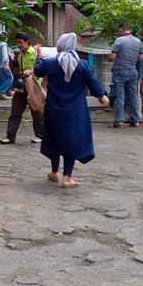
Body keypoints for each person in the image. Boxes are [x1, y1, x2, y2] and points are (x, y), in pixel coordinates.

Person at [33, 33, 109, 188]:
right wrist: (102, 96)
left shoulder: (51, 63)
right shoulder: (82, 65)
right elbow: (92, 82)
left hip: (54, 109)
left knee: (54, 139)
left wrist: (39, 56)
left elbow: (38, 70)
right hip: (75, 111)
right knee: (71, 142)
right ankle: (67, 178)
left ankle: (54, 172)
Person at [0, 32, 44, 144]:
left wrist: (31, 73)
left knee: (36, 112)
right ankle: (10, 136)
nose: (19, 45)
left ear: (27, 42)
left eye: (21, 42)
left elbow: (41, 68)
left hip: (33, 87)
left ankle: (40, 135)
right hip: (21, 87)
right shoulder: (20, 56)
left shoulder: (34, 53)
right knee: (15, 111)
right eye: (17, 42)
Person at [108, 22, 143, 128]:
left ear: (121, 30)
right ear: (130, 30)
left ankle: (118, 121)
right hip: (132, 70)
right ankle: (135, 120)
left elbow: (112, 57)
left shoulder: (119, 41)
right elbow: (141, 57)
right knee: (133, 96)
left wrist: (111, 57)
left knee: (119, 96)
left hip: (119, 71)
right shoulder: (138, 41)